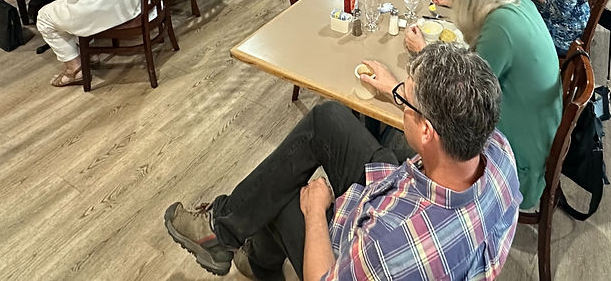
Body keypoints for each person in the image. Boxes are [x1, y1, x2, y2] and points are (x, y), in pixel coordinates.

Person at [163, 44, 521, 280]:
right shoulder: (498, 149)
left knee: (288, 190)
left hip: (360, 243)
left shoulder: (389, 246)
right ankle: (236, 242)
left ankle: (235, 243)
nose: (401, 103)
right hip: (402, 195)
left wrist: (316, 214)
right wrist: (396, 90)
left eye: (406, 102)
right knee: (328, 119)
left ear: (427, 131)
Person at [399, 0, 562, 208]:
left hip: (518, 154)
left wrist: (423, 52)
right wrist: (454, 1)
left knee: (427, 122)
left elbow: (458, 93)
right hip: (540, 123)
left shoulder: (500, 29)